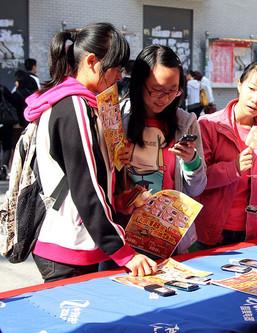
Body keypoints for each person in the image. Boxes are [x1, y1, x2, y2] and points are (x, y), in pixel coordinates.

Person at [23, 22, 157, 282]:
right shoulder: (73, 105)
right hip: (68, 245)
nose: (119, 76)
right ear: (93, 61)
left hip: (77, 242)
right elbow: (85, 187)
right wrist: (125, 253)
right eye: (116, 67)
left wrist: (118, 199)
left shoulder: (82, 102)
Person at [194, 61, 257, 248]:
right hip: (211, 229)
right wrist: (234, 167)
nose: (256, 99)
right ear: (239, 85)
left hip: (250, 228)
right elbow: (198, 180)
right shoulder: (209, 125)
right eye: (252, 88)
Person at [121, 44, 207, 254]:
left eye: (172, 91)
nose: (165, 98)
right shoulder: (117, 118)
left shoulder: (185, 122)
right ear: (139, 83)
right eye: (157, 89)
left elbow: (197, 188)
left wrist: (191, 161)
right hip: (123, 234)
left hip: (168, 235)